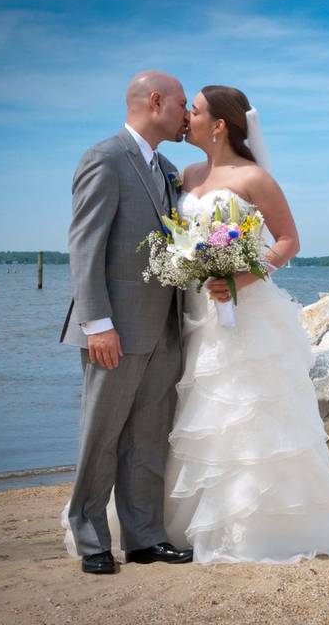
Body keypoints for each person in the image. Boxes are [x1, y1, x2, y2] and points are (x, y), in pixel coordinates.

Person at [164, 85, 329, 564]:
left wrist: (238, 275)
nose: (185, 118)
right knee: (193, 411)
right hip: (191, 311)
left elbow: (288, 240)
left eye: (193, 111)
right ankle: (182, 524)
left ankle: (255, 530)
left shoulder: (254, 177)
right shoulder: (184, 175)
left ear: (218, 125)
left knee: (243, 409)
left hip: (243, 310)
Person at [60, 71, 193, 574]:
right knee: (102, 434)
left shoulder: (169, 168)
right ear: (156, 101)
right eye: (183, 103)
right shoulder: (104, 158)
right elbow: (85, 246)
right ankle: (92, 540)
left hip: (166, 327)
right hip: (114, 329)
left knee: (149, 436)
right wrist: (97, 324)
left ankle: (144, 538)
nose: (186, 114)